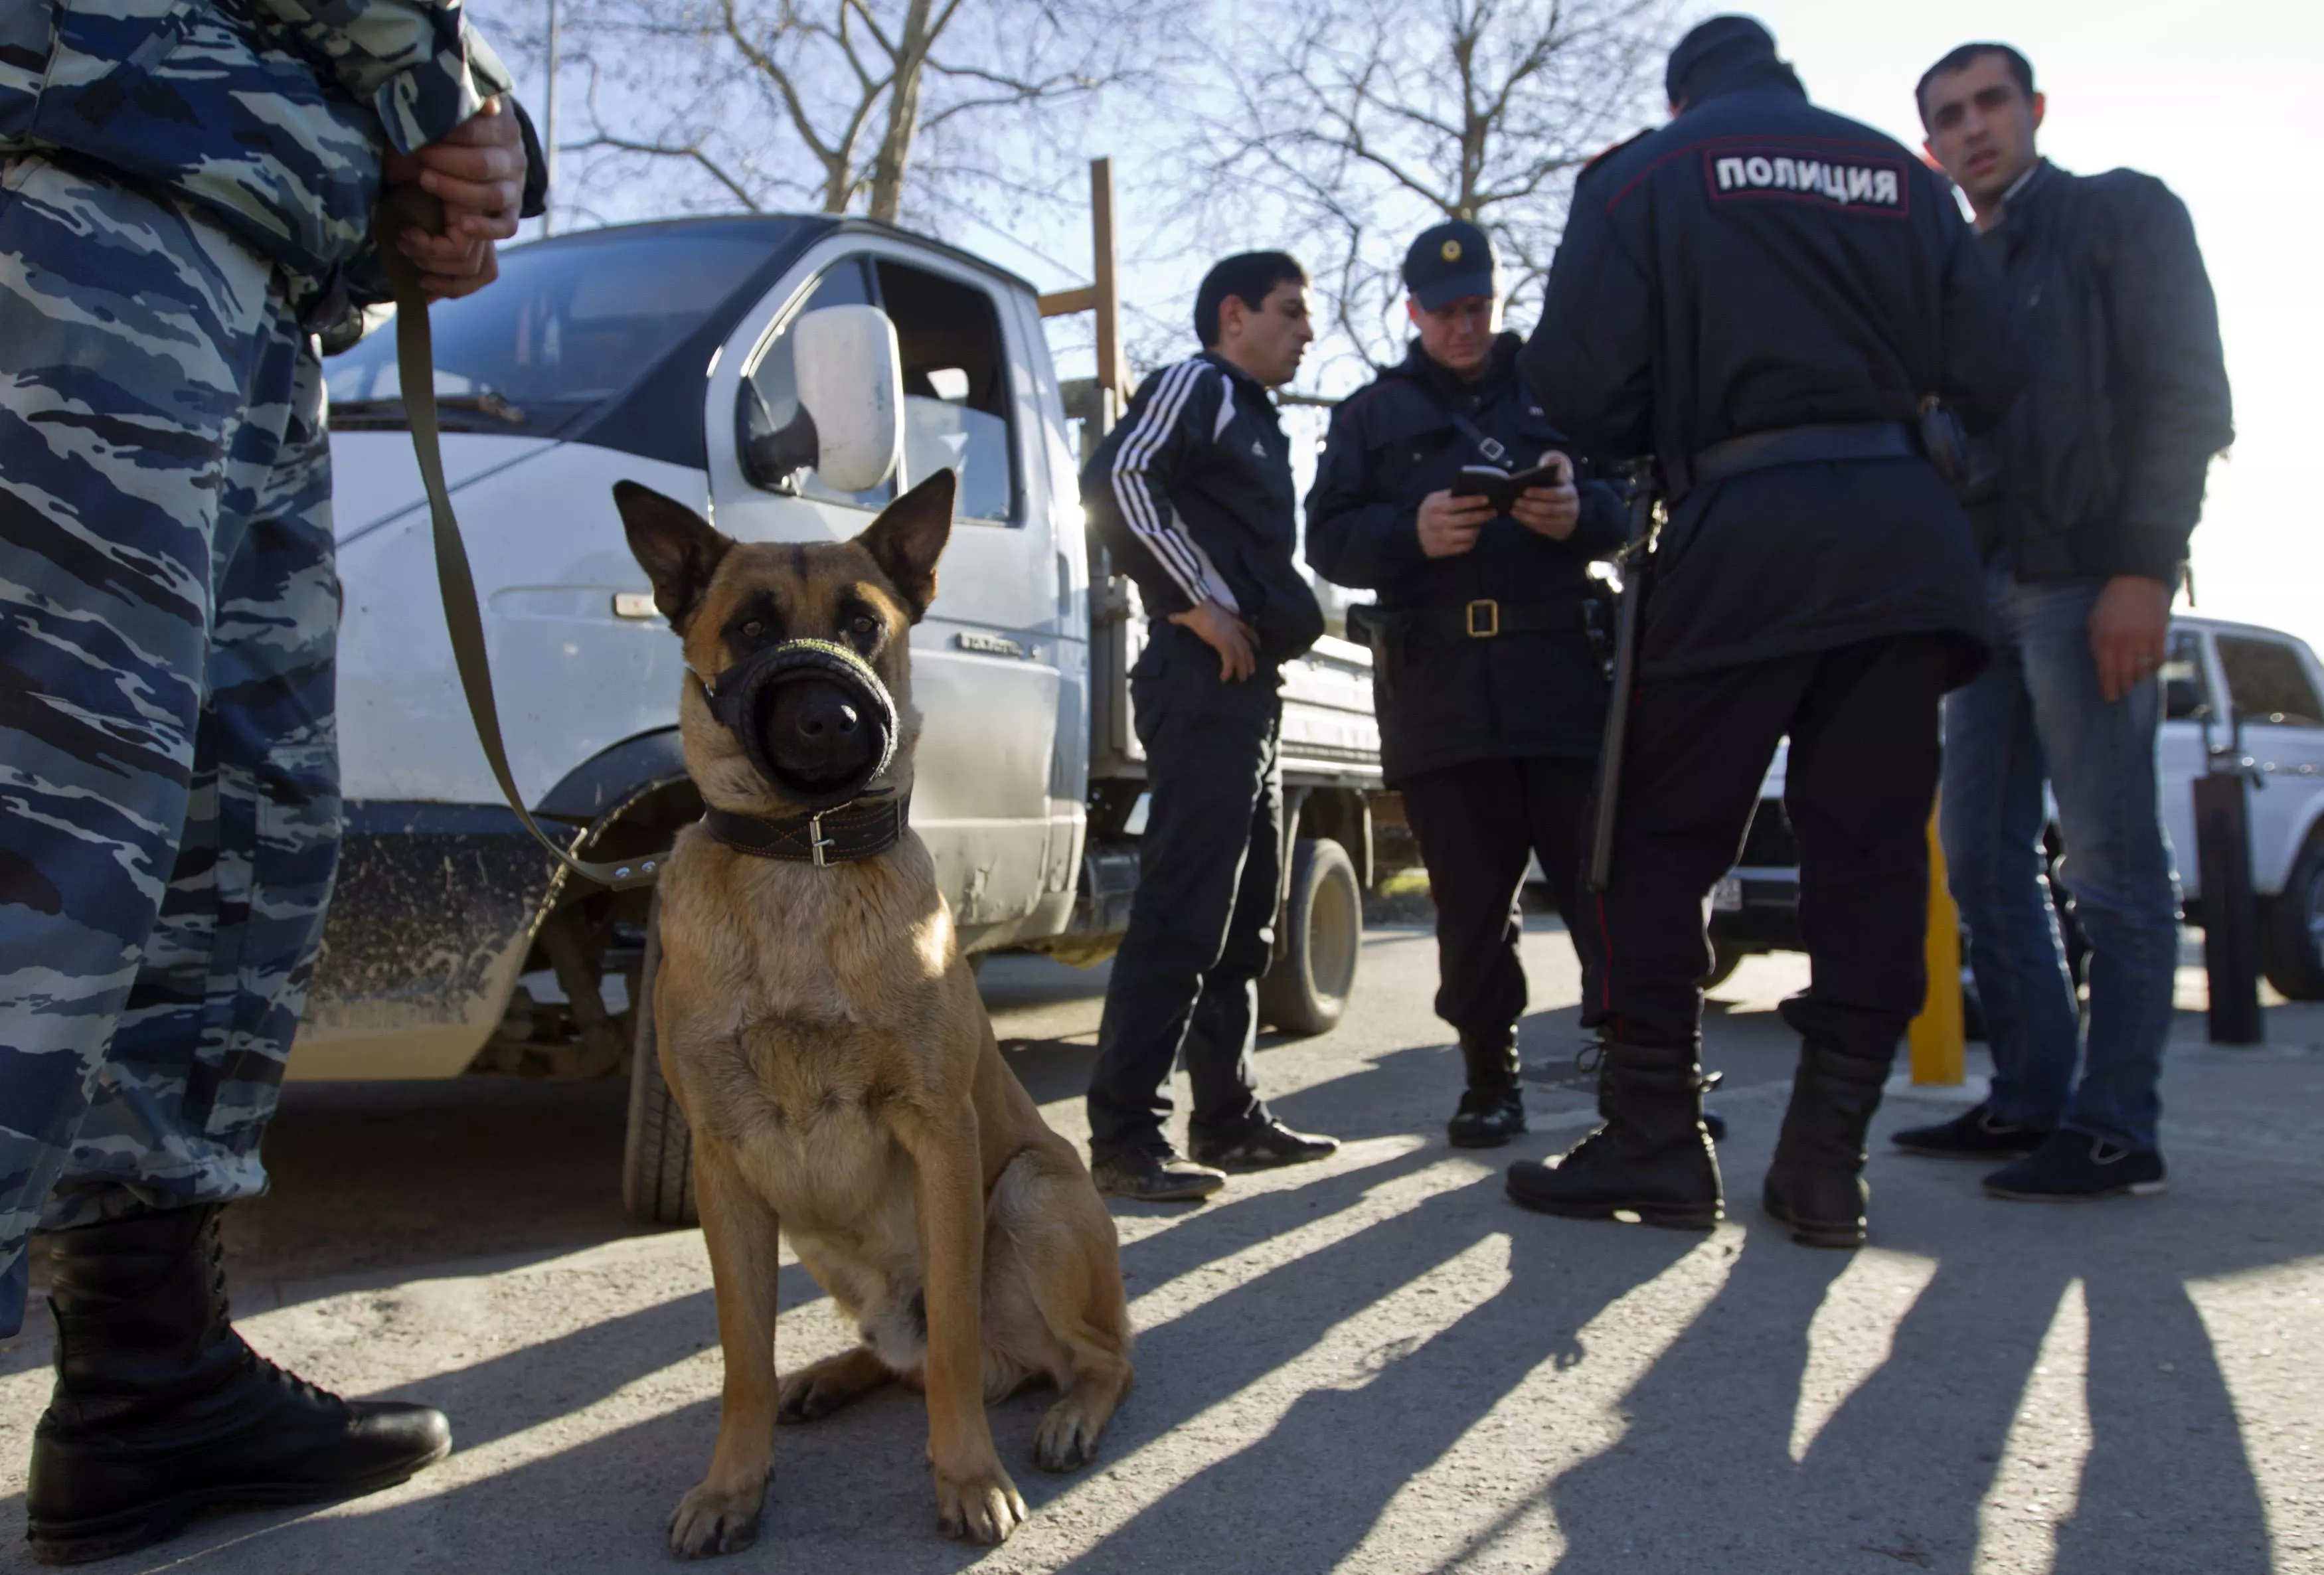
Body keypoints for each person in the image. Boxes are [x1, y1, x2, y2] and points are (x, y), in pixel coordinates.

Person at [0, 1, 538, 1559]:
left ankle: (147, 1384)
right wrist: (444, 101)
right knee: (48, 838)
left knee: (226, 849)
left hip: (244, 255)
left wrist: (458, 164)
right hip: (73, 181)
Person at [1501, 15, 2021, 1247]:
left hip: (1741, 536)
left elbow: (1577, 389)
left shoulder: (1643, 173)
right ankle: (1828, 1163)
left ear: (1683, 95)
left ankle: (1655, 1141)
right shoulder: (1904, 173)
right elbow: (1994, 371)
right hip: (1903, 547)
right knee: (1873, 851)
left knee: (1649, 841)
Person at [1893, 44, 2232, 1200]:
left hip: (2090, 579)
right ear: (1931, 148)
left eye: (1992, 103)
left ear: (2034, 109)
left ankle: (2116, 1122)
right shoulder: (1946, 272)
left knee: (2111, 861)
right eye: (1950, 117)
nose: (1974, 127)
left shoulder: (2119, 215)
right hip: (1978, 596)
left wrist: (2144, 567)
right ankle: (2031, 1099)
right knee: (1981, 859)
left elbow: (2187, 397)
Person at [1304, 220, 1625, 1149]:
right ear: (1413, 311)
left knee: (1603, 886)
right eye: (1445, 311)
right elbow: (1326, 537)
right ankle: (1492, 1079)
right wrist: (1411, 533)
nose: (1464, 325)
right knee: (1474, 904)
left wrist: (1579, 513)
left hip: (1561, 678)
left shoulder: (1560, 393)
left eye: (1477, 306)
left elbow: (1626, 503)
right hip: (1442, 693)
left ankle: (1638, 1072)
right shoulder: (1371, 415)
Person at [1080, 252, 1342, 1202]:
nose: (1307, 332)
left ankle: (1227, 1120)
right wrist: (1194, 601)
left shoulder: (1258, 418)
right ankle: (1123, 1139)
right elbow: (1117, 477)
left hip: (1248, 692)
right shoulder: (1200, 382)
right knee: (1184, 907)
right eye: (1290, 312)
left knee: (1243, 917)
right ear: (1233, 315)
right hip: (1198, 680)